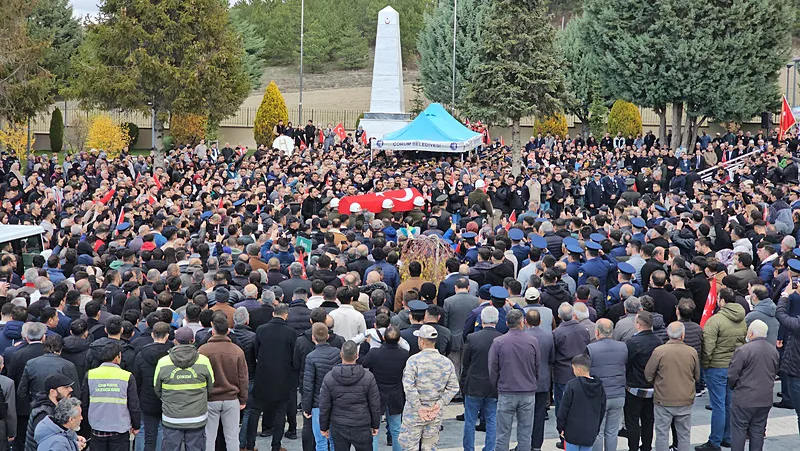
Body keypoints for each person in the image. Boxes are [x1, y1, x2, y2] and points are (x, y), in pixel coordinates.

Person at [697, 288, 746, 451]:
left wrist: (705, 365)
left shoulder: (715, 320)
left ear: (723, 301)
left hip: (716, 367)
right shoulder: (742, 318)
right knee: (729, 404)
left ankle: (715, 441)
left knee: (718, 405)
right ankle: (728, 437)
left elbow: (708, 347)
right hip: (734, 367)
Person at [398, 325, 459, 451]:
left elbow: (409, 387)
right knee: (429, 447)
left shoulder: (413, 361)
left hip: (414, 414)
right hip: (434, 413)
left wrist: (418, 407)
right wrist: (439, 404)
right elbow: (454, 387)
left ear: (421, 341)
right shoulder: (446, 362)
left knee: (409, 447)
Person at [154, 326, 214, 450]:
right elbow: (210, 386)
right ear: (193, 340)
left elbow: (157, 389)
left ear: (175, 340)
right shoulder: (204, 361)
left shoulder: (163, 362)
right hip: (197, 417)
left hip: (172, 417)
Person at [644, 322, 701, 451]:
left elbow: (648, 374)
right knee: (684, 434)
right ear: (683, 335)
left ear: (668, 334)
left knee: (662, 434)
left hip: (663, 398)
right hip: (685, 398)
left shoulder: (659, 351)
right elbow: (697, 376)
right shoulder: (691, 352)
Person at [488, 309, 539, 451]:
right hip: (527, 391)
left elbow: (493, 368)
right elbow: (537, 366)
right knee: (525, 434)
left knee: (502, 434)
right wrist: (532, 381)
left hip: (506, 391)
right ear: (522, 323)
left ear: (506, 323)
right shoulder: (532, 341)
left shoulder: (498, 342)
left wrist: (497, 385)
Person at [249, 303, 297, 451]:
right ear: (286, 315)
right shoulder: (291, 332)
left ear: (273, 314)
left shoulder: (261, 330)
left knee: (255, 411)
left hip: (263, 375)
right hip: (282, 377)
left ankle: (250, 445)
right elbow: (293, 357)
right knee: (280, 412)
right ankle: (276, 445)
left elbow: (255, 351)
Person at [198, 312, 249, 451]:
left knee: (209, 437)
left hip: (210, 399)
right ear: (228, 330)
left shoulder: (203, 350)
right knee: (232, 438)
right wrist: (243, 399)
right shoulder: (237, 351)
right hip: (231, 399)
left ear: (212, 329)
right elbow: (243, 377)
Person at [318, 340, 381, 451]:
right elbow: (374, 404)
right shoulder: (368, 377)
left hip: (338, 424)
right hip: (361, 424)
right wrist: (375, 424)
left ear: (341, 355)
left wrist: (324, 426)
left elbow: (324, 406)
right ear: (356, 355)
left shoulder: (329, 377)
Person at [727, 320, 779, 451]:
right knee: (758, 432)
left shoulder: (743, 350)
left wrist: (734, 387)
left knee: (739, 431)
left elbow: (732, 375)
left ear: (750, 333)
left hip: (744, 398)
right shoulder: (773, 351)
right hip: (765, 399)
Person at [80, 343, 141, 451]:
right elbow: (133, 405)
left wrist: (86, 424)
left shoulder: (90, 375)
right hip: (119, 428)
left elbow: (84, 403)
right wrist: (136, 425)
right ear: (118, 357)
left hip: (97, 427)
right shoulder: (127, 376)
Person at [359, 325, 409, 451]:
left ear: (383, 338)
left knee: (374, 430)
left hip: (377, 393)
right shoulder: (404, 354)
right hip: (396, 394)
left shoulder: (375, 353)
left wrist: (366, 345)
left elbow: (362, 362)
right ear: (399, 340)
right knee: (396, 429)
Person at [461, 306, 503, 451]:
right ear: (497, 320)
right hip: (493, 385)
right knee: (492, 420)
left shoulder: (472, 338)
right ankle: (489, 448)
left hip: (474, 384)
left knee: (470, 420)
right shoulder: (501, 338)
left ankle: (469, 448)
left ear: (482, 320)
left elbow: (465, 362)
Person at [586, 319, 628, 451]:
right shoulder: (623, 347)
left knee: (598, 431)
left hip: (599, 395)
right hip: (618, 393)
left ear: (597, 331)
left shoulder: (591, 349)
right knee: (612, 432)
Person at [624, 311, 662, 451]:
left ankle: (633, 447)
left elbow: (627, 364)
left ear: (638, 325)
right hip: (652, 387)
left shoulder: (632, 342)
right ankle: (646, 447)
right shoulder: (658, 341)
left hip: (634, 387)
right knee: (648, 420)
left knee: (632, 421)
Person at [302, 323, 341, 451]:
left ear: (313, 337)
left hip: (318, 404)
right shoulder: (337, 353)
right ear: (328, 336)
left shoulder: (311, 357)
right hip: (336, 403)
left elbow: (308, 386)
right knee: (335, 441)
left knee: (321, 442)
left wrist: (306, 408)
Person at [132, 322, 170, 451]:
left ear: (152, 334)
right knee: (161, 431)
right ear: (167, 336)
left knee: (145, 432)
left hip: (146, 400)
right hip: (167, 400)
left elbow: (136, 380)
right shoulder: (171, 355)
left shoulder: (141, 354)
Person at [556, 354, 606, 451]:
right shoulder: (599, 387)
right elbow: (602, 410)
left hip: (572, 431)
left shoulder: (572, 385)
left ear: (578, 369)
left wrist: (560, 427)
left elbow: (563, 409)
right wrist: (596, 428)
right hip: (590, 431)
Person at [524, 309, 554, 451]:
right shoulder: (549, 336)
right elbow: (551, 358)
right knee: (539, 415)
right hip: (542, 380)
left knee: (524, 416)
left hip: (525, 382)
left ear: (525, 322)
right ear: (540, 321)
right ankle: (536, 445)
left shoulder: (523, 336)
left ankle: (524, 444)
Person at [552, 303, 591, 412]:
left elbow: (552, 354)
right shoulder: (584, 330)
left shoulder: (556, 333)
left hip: (562, 374)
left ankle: (562, 428)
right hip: (581, 371)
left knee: (562, 407)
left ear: (559, 316)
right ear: (573, 314)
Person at [25, 373, 74, 451]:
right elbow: (49, 441)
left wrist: (74, 439)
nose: (71, 389)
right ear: (53, 392)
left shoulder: (57, 409)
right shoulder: (43, 414)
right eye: (66, 387)